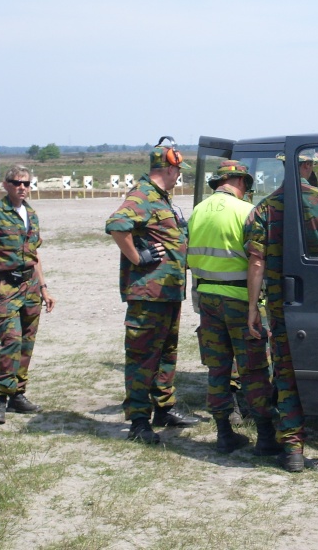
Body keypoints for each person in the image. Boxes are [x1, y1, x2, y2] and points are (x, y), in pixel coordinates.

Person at [244, 150, 318, 472]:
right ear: (307, 166)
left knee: (286, 375)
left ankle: (294, 452)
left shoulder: (264, 209)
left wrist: (253, 308)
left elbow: (256, 261)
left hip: (284, 306)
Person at [105, 136, 198, 444]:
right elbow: (117, 224)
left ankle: (163, 408)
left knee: (166, 354)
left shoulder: (161, 197)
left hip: (167, 293)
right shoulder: (143, 195)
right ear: (167, 168)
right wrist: (137, 257)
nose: (180, 174)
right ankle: (139, 421)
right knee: (142, 357)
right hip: (148, 295)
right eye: (178, 169)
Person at [187, 160, 281, 455]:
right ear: (240, 181)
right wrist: (255, 306)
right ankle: (265, 437)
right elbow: (257, 261)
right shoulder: (246, 211)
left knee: (218, 368)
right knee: (253, 368)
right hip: (240, 300)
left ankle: (224, 433)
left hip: (208, 298)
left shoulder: (198, 211)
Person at [0, 165, 56, 424]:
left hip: (30, 287)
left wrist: (44, 288)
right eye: (17, 182)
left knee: (27, 343)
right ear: (5, 185)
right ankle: (0, 398)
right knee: (11, 341)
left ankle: (18, 394)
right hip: (6, 285)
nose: (23, 187)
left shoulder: (31, 214)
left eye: (27, 183)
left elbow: (34, 256)